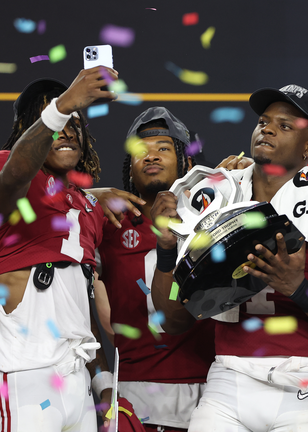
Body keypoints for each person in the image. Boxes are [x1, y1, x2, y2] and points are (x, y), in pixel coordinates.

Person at [148, 84, 308, 431]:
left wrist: (299, 288)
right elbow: (174, 319)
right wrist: (167, 255)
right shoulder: (215, 196)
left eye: (285, 126)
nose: (267, 129)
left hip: (304, 378)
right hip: (229, 376)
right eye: (263, 121)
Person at [0, 68, 130, 432]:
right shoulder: (0, 167)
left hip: (77, 383)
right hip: (25, 375)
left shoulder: (85, 206)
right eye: (56, 119)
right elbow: (13, 181)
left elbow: (77, 305)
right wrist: (64, 104)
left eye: (75, 122)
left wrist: (101, 381)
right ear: (29, 127)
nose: (67, 129)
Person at [93, 106, 216, 432]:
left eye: (163, 148)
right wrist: (92, 195)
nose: (151, 157)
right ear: (129, 169)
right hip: (135, 397)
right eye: (141, 152)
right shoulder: (108, 225)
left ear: (186, 163)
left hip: (210, 396)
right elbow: (40, 205)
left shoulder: (213, 215)